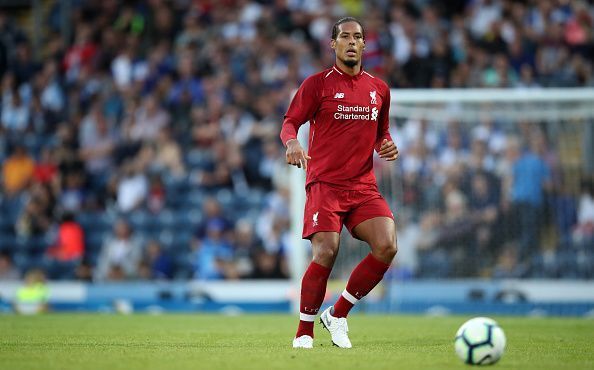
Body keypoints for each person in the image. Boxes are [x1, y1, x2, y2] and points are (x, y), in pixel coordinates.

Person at [280, 17, 399, 349]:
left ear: (363, 45)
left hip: (362, 186)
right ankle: (304, 331)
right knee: (327, 251)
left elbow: (381, 133)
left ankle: (338, 314)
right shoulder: (317, 84)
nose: (351, 41)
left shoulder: (379, 90)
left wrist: (386, 145)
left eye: (357, 37)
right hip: (325, 185)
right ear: (333, 44)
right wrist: (292, 143)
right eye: (344, 36)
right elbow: (290, 122)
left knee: (387, 245)